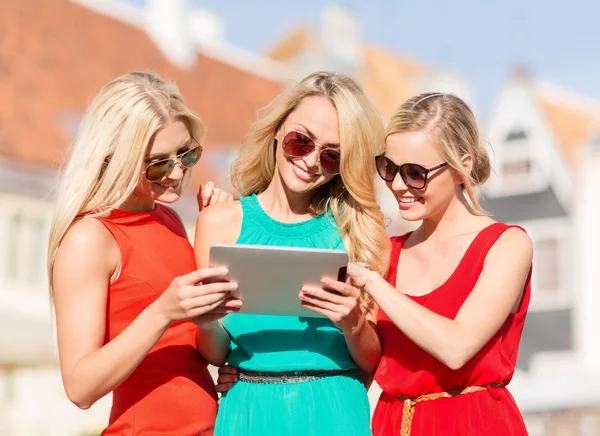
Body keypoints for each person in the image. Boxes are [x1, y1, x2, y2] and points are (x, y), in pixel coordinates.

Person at [193, 71, 390, 435]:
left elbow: (372, 362)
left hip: (335, 412)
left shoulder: (356, 233)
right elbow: (215, 353)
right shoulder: (219, 223)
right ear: (278, 130)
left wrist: (352, 322)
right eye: (302, 142)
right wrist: (205, 319)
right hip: (247, 412)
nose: (312, 161)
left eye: (331, 156)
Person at [48, 71, 239, 435]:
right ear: (113, 157)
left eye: (187, 154)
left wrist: (216, 238)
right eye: (158, 163)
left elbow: (198, 353)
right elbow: (80, 387)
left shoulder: (168, 217)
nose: (178, 172)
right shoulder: (90, 237)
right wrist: (163, 311)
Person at [346, 92, 533, 435]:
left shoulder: (506, 245)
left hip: (474, 424)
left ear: (462, 166)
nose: (398, 185)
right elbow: (367, 363)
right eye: (389, 169)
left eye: (415, 173)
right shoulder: (387, 253)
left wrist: (374, 284)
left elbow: (456, 347)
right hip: (393, 423)